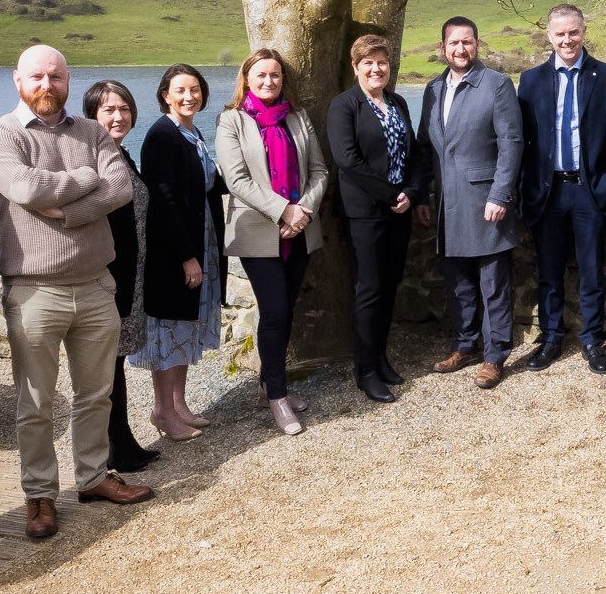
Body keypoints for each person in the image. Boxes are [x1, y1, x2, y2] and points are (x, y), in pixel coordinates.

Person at [0, 45, 155, 540]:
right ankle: (39, 495)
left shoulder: (93, 130)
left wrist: (69, 210)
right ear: (18, 81)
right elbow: (25, 188)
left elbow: (119, 187)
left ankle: (95, 477)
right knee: (35, 404)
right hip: (33, 289)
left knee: (95, 394)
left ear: (68, 80)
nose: (46, 85)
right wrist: (84, 180)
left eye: (55, 76)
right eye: (36, 76)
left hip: (97, 284)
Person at [215, 48, 332, 435]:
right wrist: (284, 210)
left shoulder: (297, 119)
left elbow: (319, 171)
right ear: (246, 79)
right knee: (276, 311)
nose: (269, 82)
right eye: (261, 75)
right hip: (257, 232)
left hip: (298, 230)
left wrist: (302, 213)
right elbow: (237, 180)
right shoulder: (231, 121)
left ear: (284, 79)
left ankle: (272, 380)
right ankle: (277, 397)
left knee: (287, 310)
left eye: (275, 75)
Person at [518, 4, 606, 374]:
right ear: (549, 36)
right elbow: (522, 140)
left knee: (591, 271)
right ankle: (551, 338)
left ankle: (592, 340)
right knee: (549, 272)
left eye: (574, 32)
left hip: (589, 191)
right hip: (548, 192)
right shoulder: (531, 80)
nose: (567, 40)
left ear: (584, 32)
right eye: (560, 34)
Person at [416, 17, 524, 388]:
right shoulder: (432, 90)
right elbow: (425, 148)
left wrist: (500, 194)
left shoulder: (496, 85)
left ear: (478, 44)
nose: (460, 49)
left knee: (493, 282)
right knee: (458, 281)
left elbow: (511, 144)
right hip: (447, 201)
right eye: (453, 43)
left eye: (467, 42)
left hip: (485, 199)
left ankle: (495, 355)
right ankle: (466, 345)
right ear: (442, 46)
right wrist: (423, 194)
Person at [328, 34, 433, 404]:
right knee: (369, 291)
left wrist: (413, 192)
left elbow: (416, 153)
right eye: (368, 63)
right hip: (365, 215)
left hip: (399, 212)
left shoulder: (398, 102)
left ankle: (381, 358)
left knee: (390, 287)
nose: (376, 69)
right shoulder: (345, 106)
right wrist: (391, 195)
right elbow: (348, 160)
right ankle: (366, 370)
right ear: (355, 68)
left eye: (382, 62)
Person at [138, 63, 226, 437]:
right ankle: (162, 411)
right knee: (170, 330)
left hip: (201, 238)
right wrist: (187, 256)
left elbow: (209, 183)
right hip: (176, 250)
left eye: (195, 89)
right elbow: (164, 201)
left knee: (187, 328)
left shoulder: (191, 132)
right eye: (181, 90)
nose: (189, 96)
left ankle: (179, 404)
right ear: (165, 95)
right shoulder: (162, 136)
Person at [82, 78, 160, 472]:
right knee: (106, 366)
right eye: (109, 109)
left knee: (116, 360)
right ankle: (114, 447)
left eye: (125, 108)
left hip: (132, 273)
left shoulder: (121, 155)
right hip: (108, 278)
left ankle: (122, 441)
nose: (119, 115)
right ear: (91, 115)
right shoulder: (90, 161)